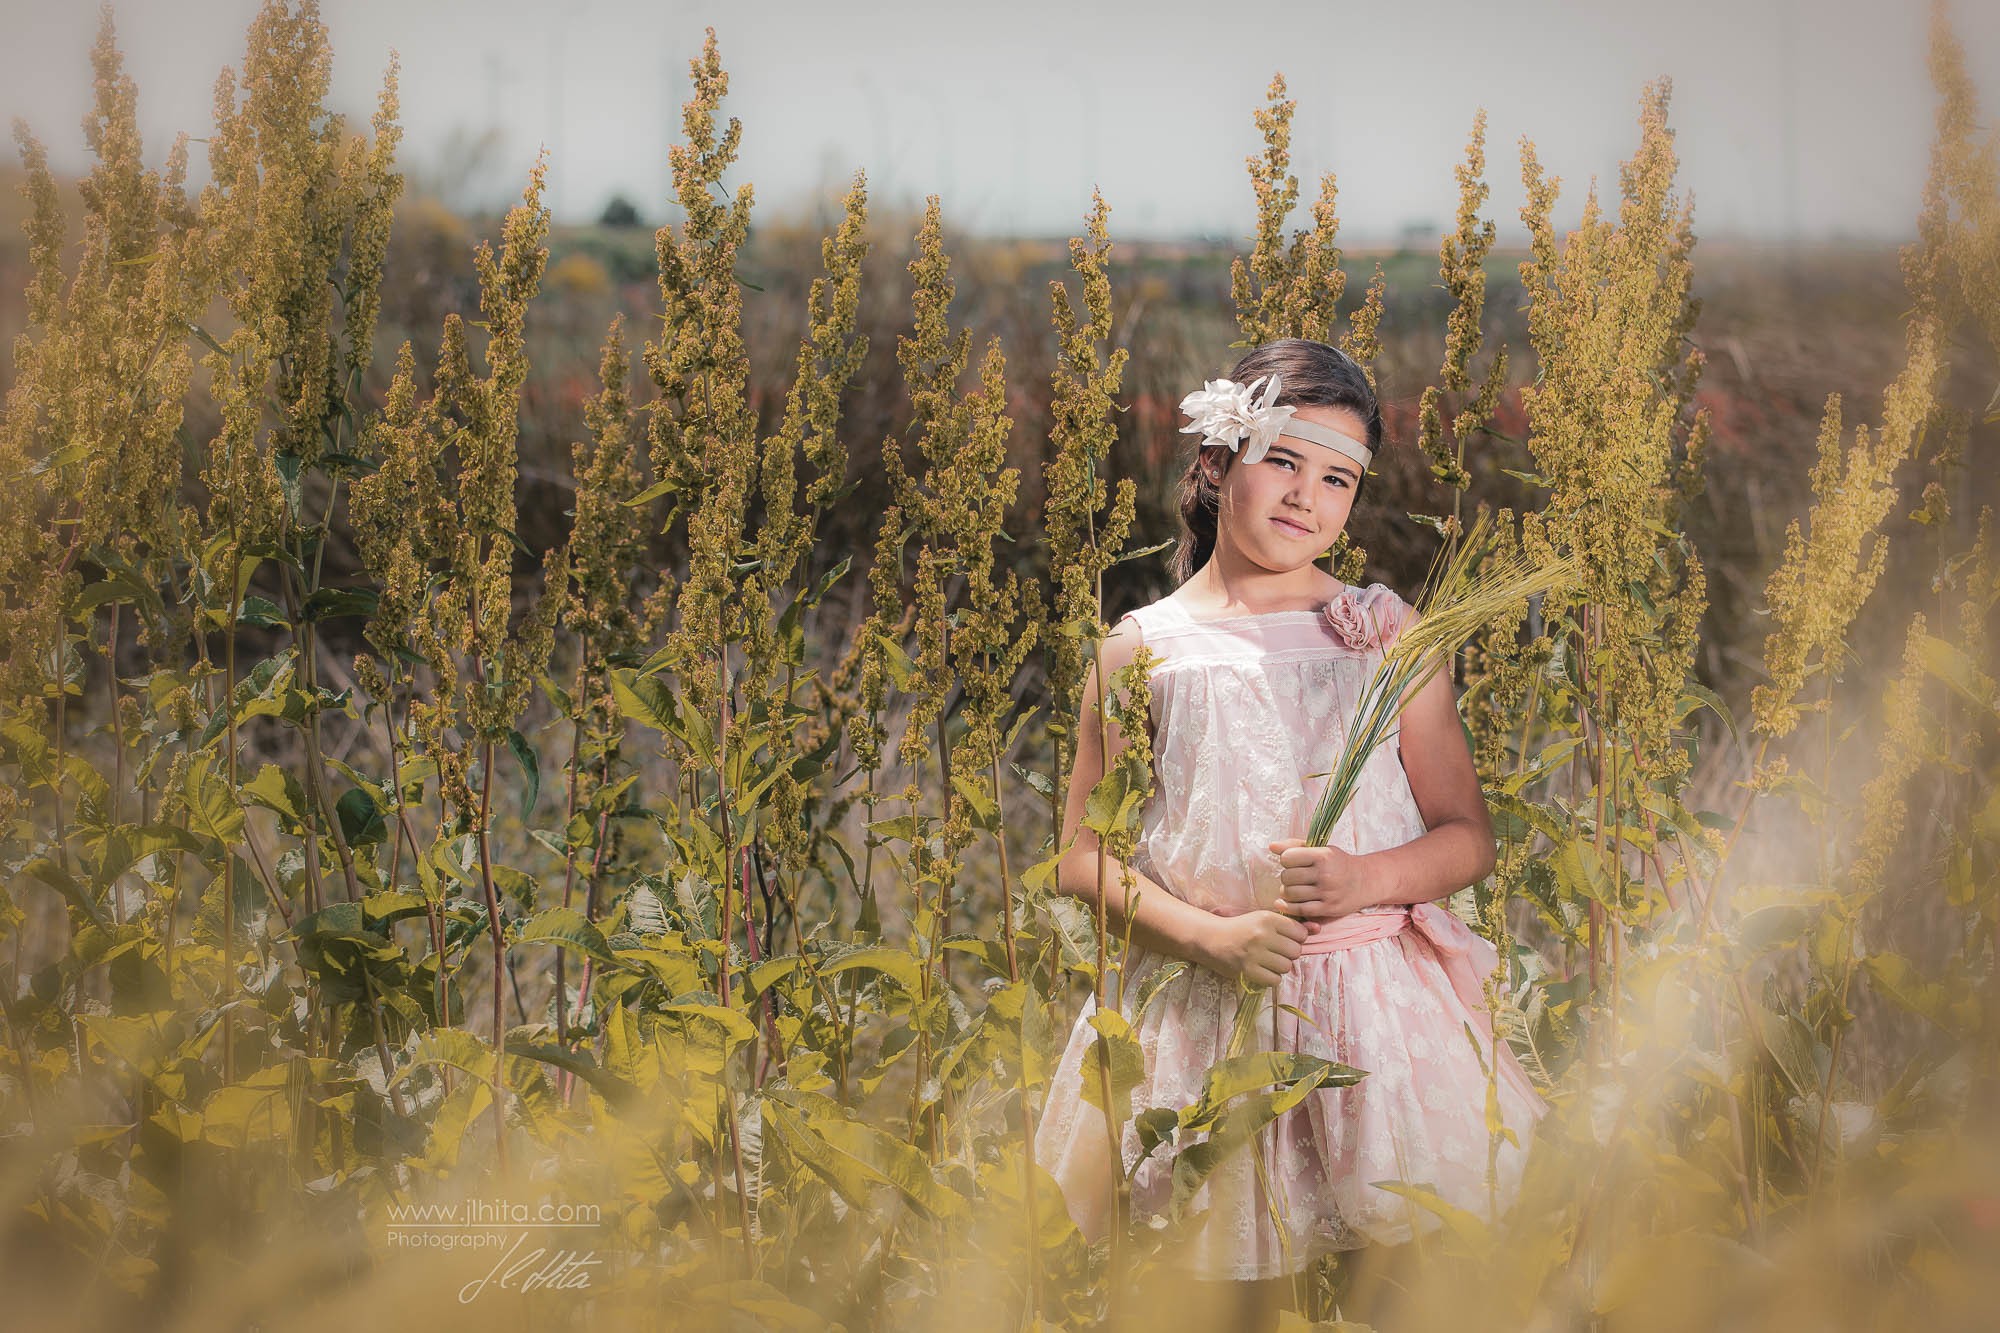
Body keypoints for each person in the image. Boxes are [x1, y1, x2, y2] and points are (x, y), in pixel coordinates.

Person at [1032, 337, 1547, 1328]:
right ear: (1217, 460)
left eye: (1338, 478)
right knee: (1226, 1286)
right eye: (1282, 460)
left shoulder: (1383, 631)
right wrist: (1209, 939)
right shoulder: (1139, 650)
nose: (1306, 495)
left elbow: (1463, 834)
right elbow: (1080, 856)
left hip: (1376, 1019)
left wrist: (1367, 878)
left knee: (1397, 1282)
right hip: (1212, 1016)